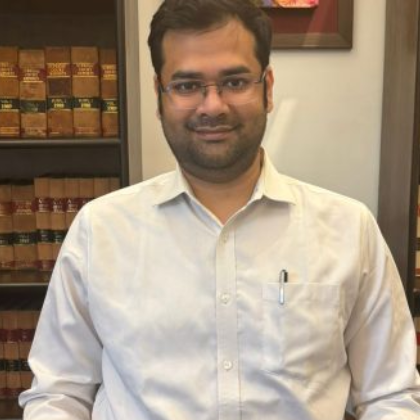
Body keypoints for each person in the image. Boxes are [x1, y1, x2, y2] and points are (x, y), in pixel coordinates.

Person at [19, 0, 420, 419]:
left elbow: (390, 397)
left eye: (234, 81)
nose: (212, 106)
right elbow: (58, 394)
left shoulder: (348, 229)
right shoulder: (100, 230)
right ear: (159, 96)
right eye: (187, 85)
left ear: (267, 88)